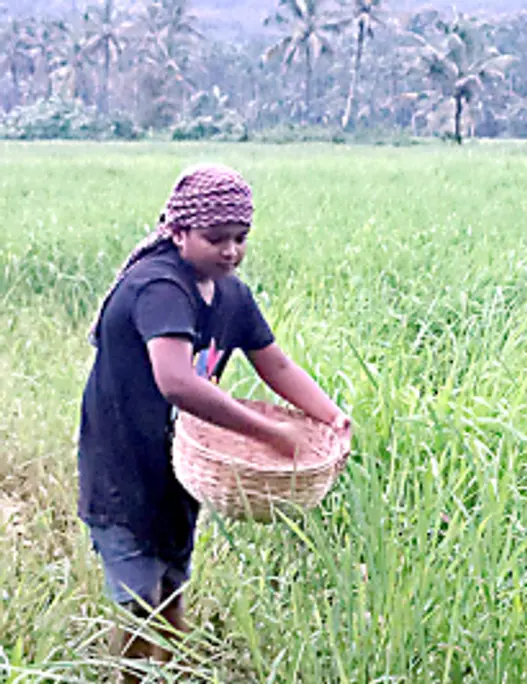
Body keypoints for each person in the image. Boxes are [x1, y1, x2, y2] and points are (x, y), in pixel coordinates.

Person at [77, 163, 350, 680]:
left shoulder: (230, 295)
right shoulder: (158, 287)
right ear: (178, 232)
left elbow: (276, 363)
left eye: (241, 238)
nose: (230, 251)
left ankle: (174, 673)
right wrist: (269, 431)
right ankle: (134, 676)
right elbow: (177, 381)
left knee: (173, 579)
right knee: (140, 595)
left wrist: (329, 415)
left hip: (184, 460)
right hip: (121, 461)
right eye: (216, 238)